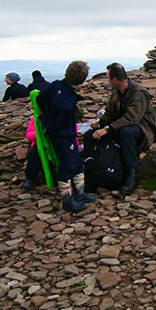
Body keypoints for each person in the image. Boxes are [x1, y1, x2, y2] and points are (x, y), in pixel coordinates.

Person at [86, 63, 156, 195]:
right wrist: (101, 122)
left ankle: (131, 175)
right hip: (119, 126)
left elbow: (133, 118)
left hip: (142, 129)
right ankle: (93, 172)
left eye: (108, 78)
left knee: (125, 133)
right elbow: (110, 112)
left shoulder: (138, 92)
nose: (107, 81)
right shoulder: (116, 92)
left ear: (115, 79)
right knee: (90, 135)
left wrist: (108, 129)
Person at [36, 60, 95, 213]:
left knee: (76, 162)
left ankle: (81, 194)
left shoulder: (55, 85)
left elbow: (39, 99)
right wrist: (49, 121)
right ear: (81, 80)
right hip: (63, 136)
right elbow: (60, 124)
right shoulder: (67, 103)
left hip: (63, 134)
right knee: (68, 165)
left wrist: (45, 115)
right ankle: (67, 200)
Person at [22, 116, 42, 190]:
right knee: (34, 153)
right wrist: (40, 133)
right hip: (40, 144)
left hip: (58, 142)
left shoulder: (62, 115)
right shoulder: (36, 118)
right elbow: (29, 136)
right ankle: (29, 178)